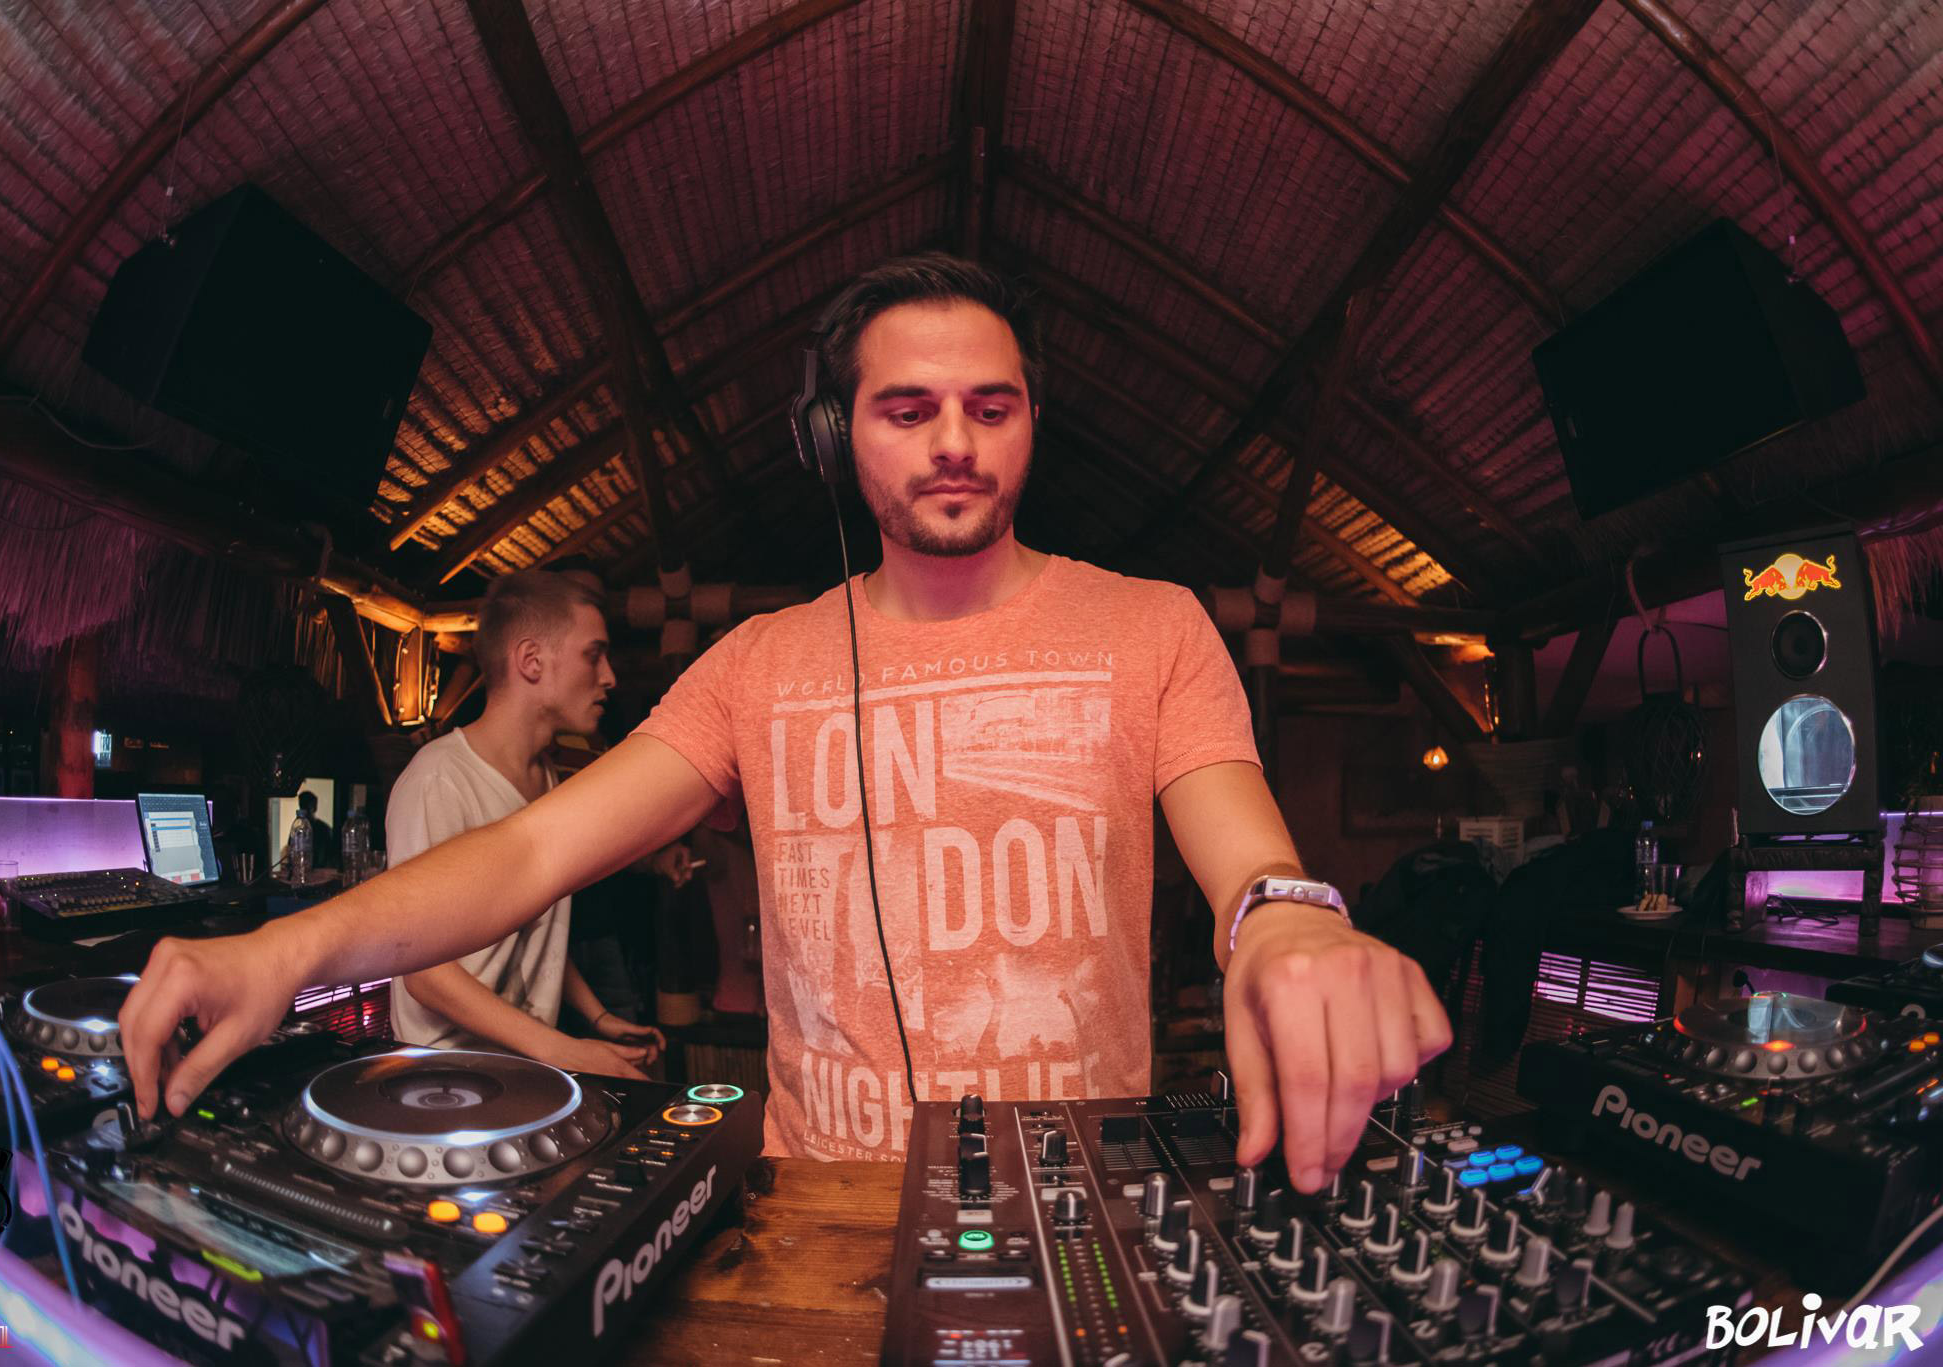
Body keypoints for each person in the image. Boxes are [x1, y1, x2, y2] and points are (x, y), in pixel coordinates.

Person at [120, 253, 1450, 1191]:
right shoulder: (757, 664)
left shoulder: (1153, 626)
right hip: (816, 1209)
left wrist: (1288, 919)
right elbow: (530, 852)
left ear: (1031, 423)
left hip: (1075, 1207)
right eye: (906, 408)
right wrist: (290, 947)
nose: (953, 441)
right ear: (834, 436)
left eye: (990, 407)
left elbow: (1250, 856)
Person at [383, 569, 663, 1078]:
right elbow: (423, 974)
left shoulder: (548, 778)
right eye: (593, 654)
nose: (609, 677)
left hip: (519, 1069)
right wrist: (566, 1051)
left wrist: (597, 1018)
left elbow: (533, 927)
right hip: (447, 1077)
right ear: (531, 660)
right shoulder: (440, 780)